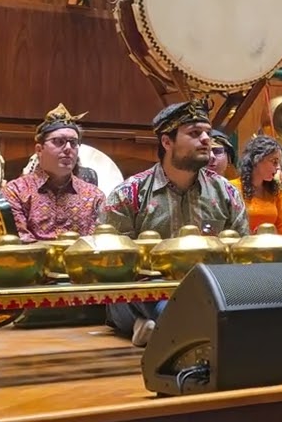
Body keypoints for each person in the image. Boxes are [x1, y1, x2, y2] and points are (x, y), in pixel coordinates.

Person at [99, 100, 249, 346]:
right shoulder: (128, 194)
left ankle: (161, 330)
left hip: (211, 291)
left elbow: (242, 255)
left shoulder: (227, 193)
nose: (205, 140)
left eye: (207, 133)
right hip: (148, 293)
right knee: (132, 295)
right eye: (194, 133)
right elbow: (114, 268)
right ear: (166, 142)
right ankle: (171, 327)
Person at [1, 104, 104, 243]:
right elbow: (18, 244)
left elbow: (97, 244)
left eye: (73, 143)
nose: (68, 148)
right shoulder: (15, 192)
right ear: (39, 149)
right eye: (58, 141)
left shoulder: (94, 196)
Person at [238, 135, 282, 235]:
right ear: (257, 159)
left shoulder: (276, 190)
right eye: (274, 162)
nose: (278, 168)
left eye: (279, 163)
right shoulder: (232, 188)